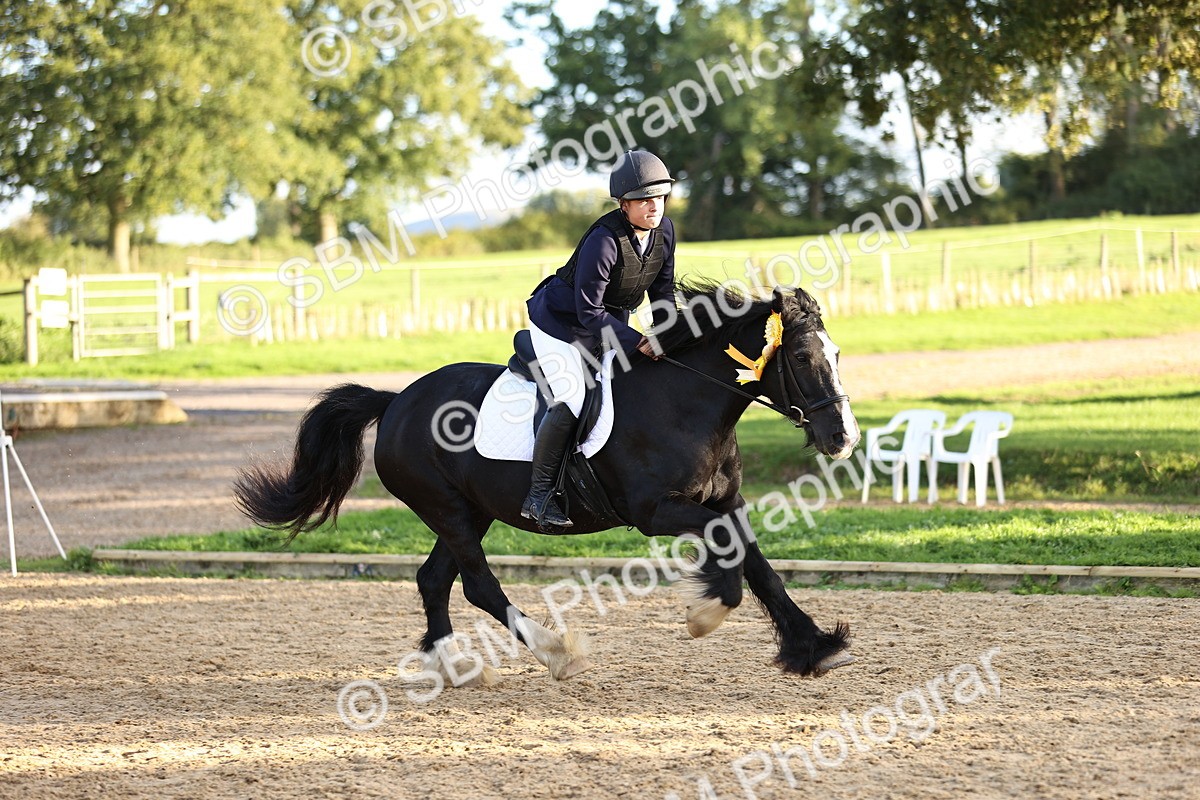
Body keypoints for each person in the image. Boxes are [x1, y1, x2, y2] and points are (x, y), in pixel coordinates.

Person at [521, 150, 678, 528]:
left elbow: (663, 291)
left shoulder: (665, 232)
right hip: (560, 324)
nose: (653, 206)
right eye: (643, 199)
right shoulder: (604, 241)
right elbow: (588, 310)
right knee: (573, 397)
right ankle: (539, 497)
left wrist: (668, 335)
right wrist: (639, 341)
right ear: (623, 205)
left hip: (607, 322)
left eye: (659, 197)